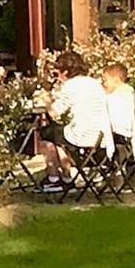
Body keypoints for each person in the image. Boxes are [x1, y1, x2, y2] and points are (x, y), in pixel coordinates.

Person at [35, 51, 114, 193]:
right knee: (58, 135)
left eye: (57, 73)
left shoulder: (71, 86)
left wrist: (46, 101)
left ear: (65, 72)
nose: (57, 78)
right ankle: (66, 178)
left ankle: (54, 178)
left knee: (46, 135)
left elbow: (55, 114)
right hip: (100, 136)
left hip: (81, 135)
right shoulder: (94, 83)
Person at [102, 62, 135, 158]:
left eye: (106, 80)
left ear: (116, 80)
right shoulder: (129, 92)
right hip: (128, 131)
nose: (104, 84)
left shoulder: (116, 96)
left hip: (116, 130)